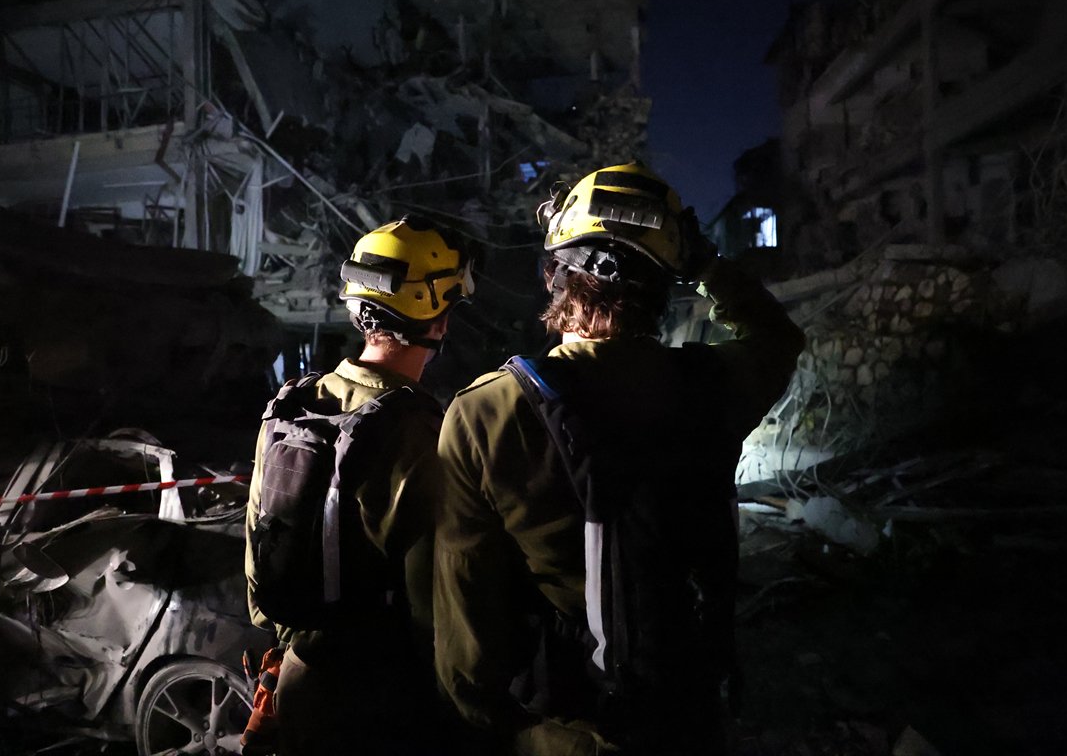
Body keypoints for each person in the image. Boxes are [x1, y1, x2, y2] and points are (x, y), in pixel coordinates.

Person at [433, 163, 805, 755]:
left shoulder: (488, 410)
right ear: (664, 286)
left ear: (555, 275)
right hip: (686, 714)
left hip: (566, 725)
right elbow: (778, 338)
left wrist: (483, 712)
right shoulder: (714, 385)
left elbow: (466, 594)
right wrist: (706, 264)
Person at [243, 215, 473, 755]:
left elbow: (259, 534)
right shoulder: (416, 426)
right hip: (377, 693)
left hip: (296, 673)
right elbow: (428, 596)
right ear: (437, 319)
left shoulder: (293, 403)